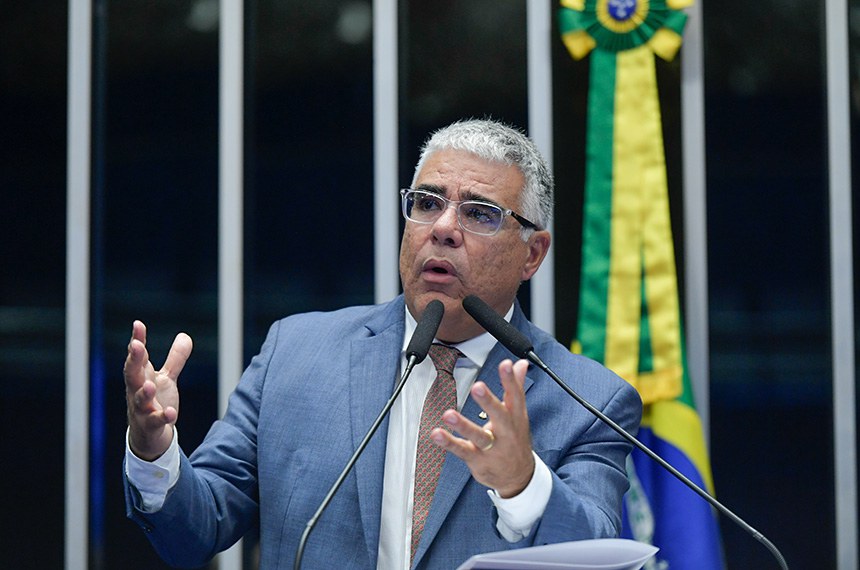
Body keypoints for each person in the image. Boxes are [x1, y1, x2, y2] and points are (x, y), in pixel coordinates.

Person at [123, 118, 642, 569]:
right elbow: (195, 531)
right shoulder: (296, 355)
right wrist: (155, 452)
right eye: (427, 202)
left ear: (533, 255)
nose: (442, 228)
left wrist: (523, 485)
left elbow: (600, 556)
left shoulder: (588, 401)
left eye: (480, 213)